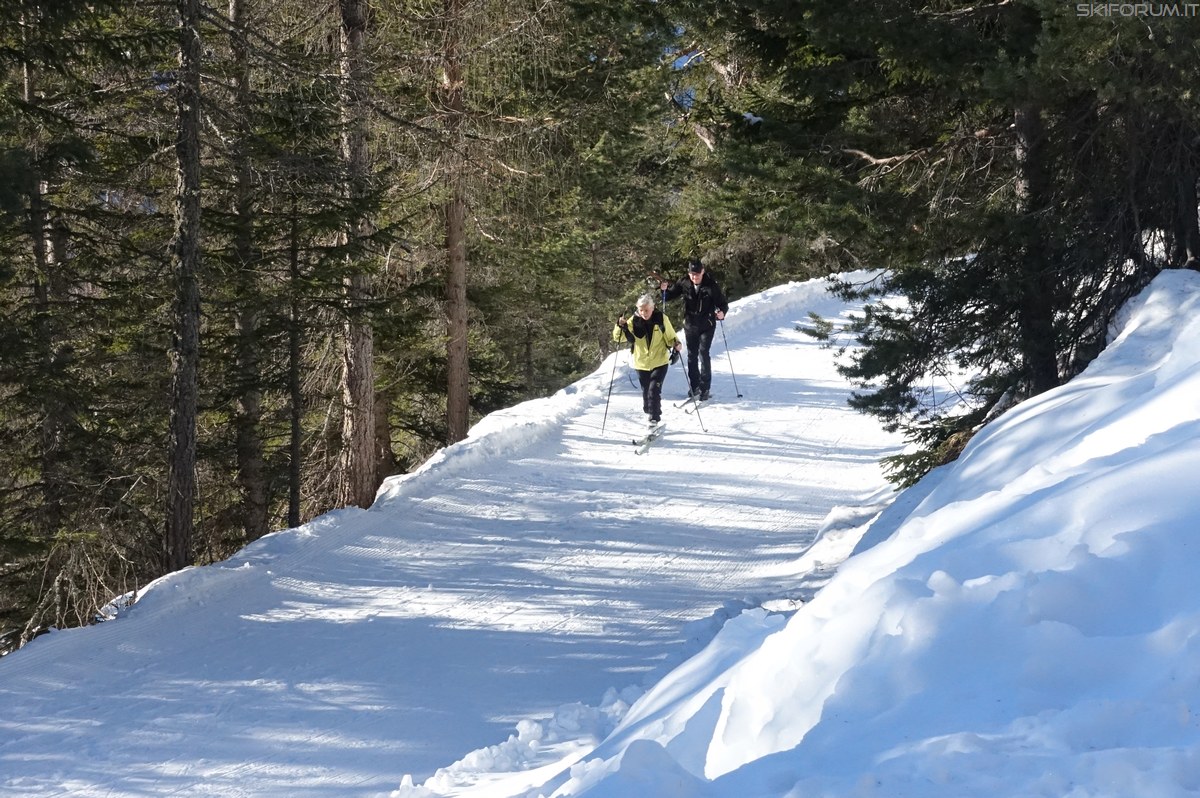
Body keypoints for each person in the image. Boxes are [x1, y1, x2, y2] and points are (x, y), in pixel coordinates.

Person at [660, 258, 729, 401]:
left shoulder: (711, 285)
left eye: (697, 274)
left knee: (703, 353)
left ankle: (705, 388)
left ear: (703, 272)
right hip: (690, 325)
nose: (694, 277)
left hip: (707, 325)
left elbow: (723, 304)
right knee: (691, 356)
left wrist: (722, 312)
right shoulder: (684, 282)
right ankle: (695, 386)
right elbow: (669, 297)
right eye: (692, 274)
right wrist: (664, 291)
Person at [613, 293, 682, 427]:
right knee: (646, 392)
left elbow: (671, 336)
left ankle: (654, 418)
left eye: (647, 310)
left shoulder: (661, 318)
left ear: (653, 307)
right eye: (641, 310)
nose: (644, 313)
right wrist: (619, 325)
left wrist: (677, 344)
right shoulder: (633, 321)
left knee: (653, 390)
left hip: (660, 361)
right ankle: (650, 411)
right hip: (641, 363)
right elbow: (619, 338)